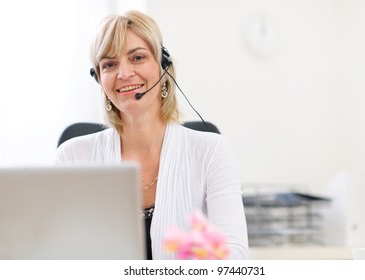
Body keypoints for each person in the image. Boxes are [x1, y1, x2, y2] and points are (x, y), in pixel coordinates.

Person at [55, 10, 248, 260]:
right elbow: (61, 257)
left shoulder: (212, 152)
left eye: (137, 57)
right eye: (109, 64)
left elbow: (234, 257)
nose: (124, 73)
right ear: (99, 79)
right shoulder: (72, 158)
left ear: (163, 66)